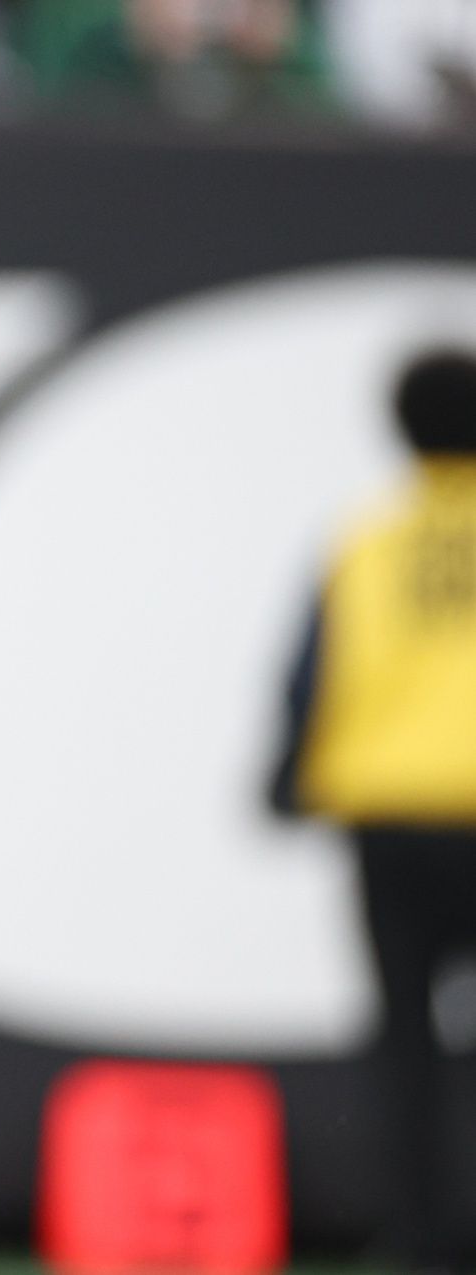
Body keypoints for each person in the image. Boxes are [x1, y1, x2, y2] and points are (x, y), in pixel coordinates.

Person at [270, 348, 476, 1275]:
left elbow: (312, 676)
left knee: (405, 1042)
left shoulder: (366, 540)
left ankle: (424, 1237)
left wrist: (282, 779)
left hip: (391, 818)